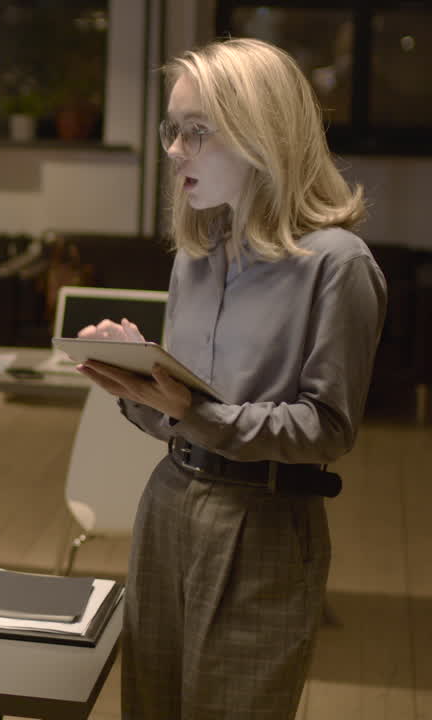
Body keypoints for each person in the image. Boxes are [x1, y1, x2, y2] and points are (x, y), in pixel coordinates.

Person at [73, 38, 386, 719]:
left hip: (265, 523)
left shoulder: (338, 264)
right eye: (172, 130)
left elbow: (327, 429)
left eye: (196, 132)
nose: (175, 150)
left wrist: (194, 413)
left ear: (260, 135)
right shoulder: (198, 253)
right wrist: (133, 384)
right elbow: (179, 410)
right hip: (169, 502)